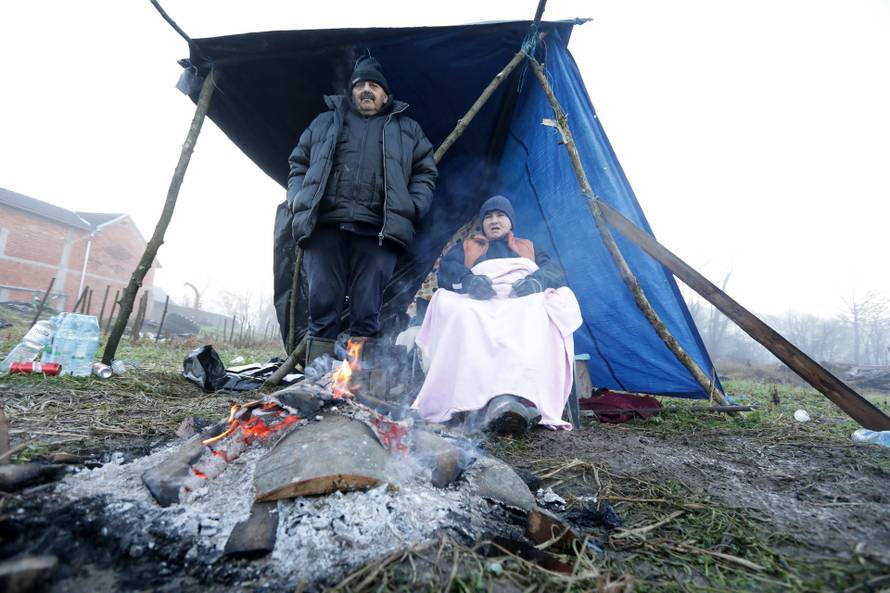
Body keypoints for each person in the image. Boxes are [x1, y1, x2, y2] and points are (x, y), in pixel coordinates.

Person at [286, 55, 438, 362]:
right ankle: (317, 377)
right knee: (322, 304)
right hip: (325, 225)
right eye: (360, 86)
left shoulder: (407, 129)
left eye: (373, 86)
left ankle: (355, 385)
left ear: (385, 94)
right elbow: (298, 164)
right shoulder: (325, 122)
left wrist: (412, 206)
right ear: (351, 91)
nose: (366, 91)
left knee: (366, 309)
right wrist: (298, 199)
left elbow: (426, 173)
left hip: (377, 230)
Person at [412, 195, 583, 435]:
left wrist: (536, 281)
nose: (494, 221)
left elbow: (555, 270)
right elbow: (447, 272)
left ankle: (517, 398)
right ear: (481, 223)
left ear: (511, 222)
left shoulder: (528, 247)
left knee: (539, 312)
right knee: (461, 312)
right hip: (479, 299)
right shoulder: (468, 246)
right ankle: (470, 401)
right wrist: (468, 280)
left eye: (500, 215)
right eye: (488, 216)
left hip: (520, 298)